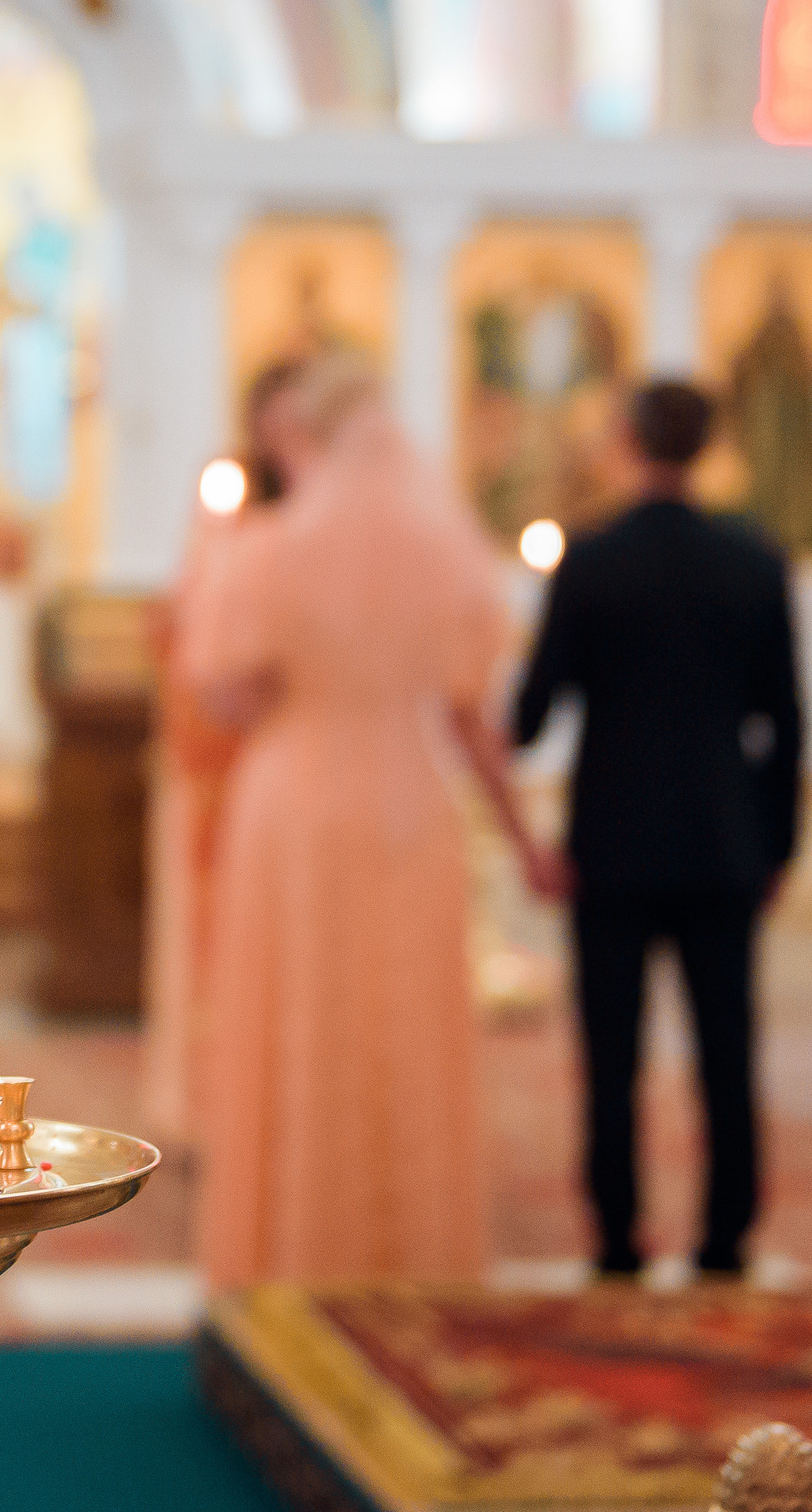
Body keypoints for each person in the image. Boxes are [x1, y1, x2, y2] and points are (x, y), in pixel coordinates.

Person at [180, 358, 555, 1285]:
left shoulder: (272, 547)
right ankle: (412, 1255)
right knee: (404, 1021)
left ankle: (290, 1252)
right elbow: (475, 720)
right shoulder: (444, 552)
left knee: (297, 1013)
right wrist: (523, 839)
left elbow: (226, 694)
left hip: (296, 803)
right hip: (407, 799)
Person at [511, 381, 805, 1280]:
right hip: (724, 844)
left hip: (612, 847)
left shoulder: (591, 561)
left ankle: (616, 1238)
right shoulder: (753, 560)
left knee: (612, 1056)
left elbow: (529, 716)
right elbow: (786, 721)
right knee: (727, 1052)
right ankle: (725, 1239)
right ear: (707, 446)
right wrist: (778, 844)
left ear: (630, 443)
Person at [142, 358, 306, 1142]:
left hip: (300, 758)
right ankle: (213, 1099)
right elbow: (196, 622)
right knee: (210, 940)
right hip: (220, 762)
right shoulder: (229, 499)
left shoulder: (330, 516)